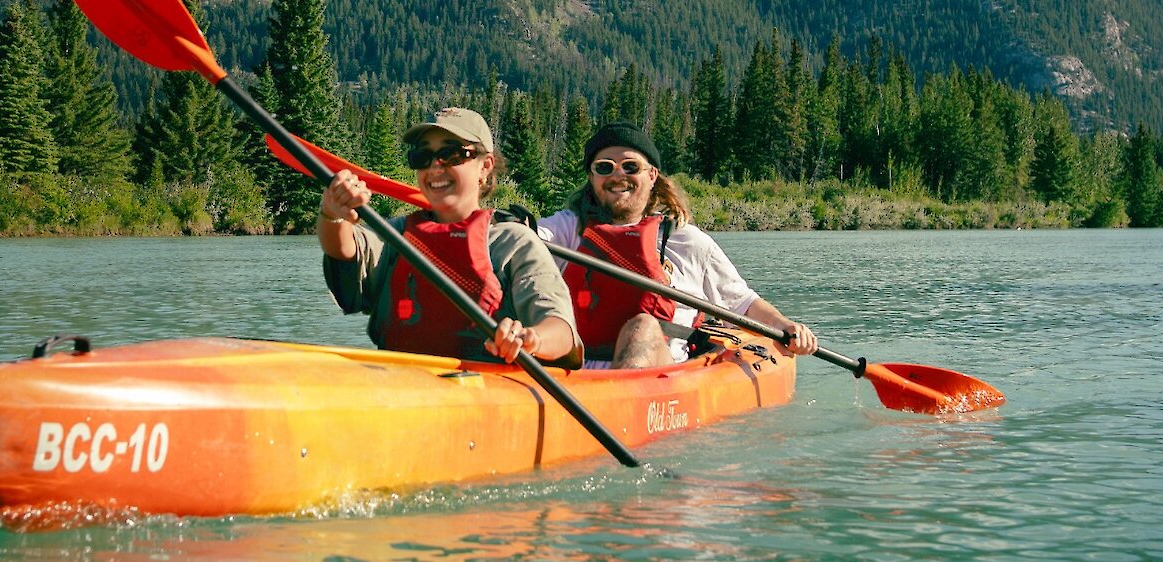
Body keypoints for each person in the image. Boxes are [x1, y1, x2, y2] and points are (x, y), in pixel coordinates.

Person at [540, 121, 819, 369]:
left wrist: (784, 326)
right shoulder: (567, 229)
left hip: (656, 376)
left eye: (630, 167)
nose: (617, 176)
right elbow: (528, 238)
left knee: (644, 327)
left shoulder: (687, 241)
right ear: (592, 177)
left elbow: (742, 303)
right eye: (604, 167)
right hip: (573, 375)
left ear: (652, 176)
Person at [320, 106, 582, 368]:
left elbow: (561, 329)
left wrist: (531, 338)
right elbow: (344, 249)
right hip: (399, 384)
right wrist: (333, 214)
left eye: (451, 154)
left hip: (484, 390)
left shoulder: (513, 241)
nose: (435, 167)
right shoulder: (397, 234)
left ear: (485, 166)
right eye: (423, 155)